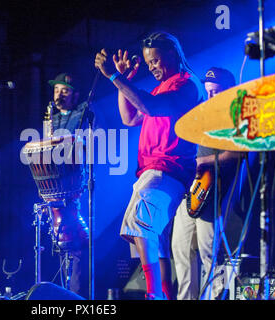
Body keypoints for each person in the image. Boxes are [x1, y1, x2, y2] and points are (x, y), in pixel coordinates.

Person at [95, 31, 205, 300]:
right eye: (148, 63)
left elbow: (152, 107)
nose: (152, 67)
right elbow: (129, 118)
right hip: (154, 170)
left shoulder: (187, 84)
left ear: (173, 55)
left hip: (168, 169)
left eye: (156, 60)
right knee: (155, 242)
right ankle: (162, 293)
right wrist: (123, 81)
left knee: (140, 224)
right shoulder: (159, 87)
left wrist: (114, 77)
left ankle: (154, 295)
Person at [171, 67, 241, 300]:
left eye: (216, 92)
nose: (210, 96)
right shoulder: (200, 115)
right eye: (208, 91)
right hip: (194, 190)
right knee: (180, 249)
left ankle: (214, 297)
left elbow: (235, 155)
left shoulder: (235, 118)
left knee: (209, 253)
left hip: (217, 192)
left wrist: (202, 160)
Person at [45, 73, 90, 298]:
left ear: (75, 95)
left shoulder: (82, 113)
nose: (59, 95)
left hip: (75, 187)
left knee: (78, 242)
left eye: (65, 91)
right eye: (56, 90)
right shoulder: (51, 117)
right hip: (55, 188)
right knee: (61, 240)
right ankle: (62, 293)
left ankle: (76, 295)